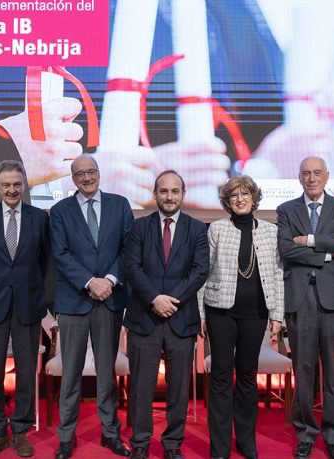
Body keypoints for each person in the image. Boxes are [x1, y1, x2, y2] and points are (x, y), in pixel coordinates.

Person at [50, 154, 134, 459]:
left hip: (110, 299)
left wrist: (109, 280)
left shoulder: (120, 205)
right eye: (80, 174)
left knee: (106, 373)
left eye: (91, 172)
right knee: (70, 373)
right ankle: (66, 437)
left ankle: (110, 433)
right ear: (73, 179)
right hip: (74, 301)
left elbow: (128, 249)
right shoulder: (59, 211)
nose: (87, 178)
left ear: (99, 173)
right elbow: (60, 255)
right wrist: (90, 282)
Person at [123, 171, 210, 459]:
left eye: (174, 191)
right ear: (155, 193)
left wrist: (171, 301)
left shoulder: (197, 229)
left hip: (180, 317)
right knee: (140, 388)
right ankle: (140, 443)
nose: (169, 197)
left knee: (178, 389)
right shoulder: (139, 227)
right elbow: (132, 267)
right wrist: (154, 299)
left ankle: (172, 444)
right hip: (144, 318)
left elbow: (200, 270)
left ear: (183, 194)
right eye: (164, 191)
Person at [276, 157, 334, 459]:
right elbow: (286, 248)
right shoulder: (286, 210)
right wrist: (325, 254)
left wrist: (308, 240)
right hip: (300, 298)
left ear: (327, 176)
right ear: (299, 178)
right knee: (304, 371)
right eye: (306, 174)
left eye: (317, 173)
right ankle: (305, 435)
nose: (311, 178)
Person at [200, 175, 285, 459]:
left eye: (245, 194)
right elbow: (204, 272)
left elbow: (276, 275)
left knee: (247, 376)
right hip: (220, 311)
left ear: (253, 197)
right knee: (222, 376)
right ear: (227, 200)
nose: (240, 199)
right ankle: (220, 446)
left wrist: (277, 314)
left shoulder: (271, 231)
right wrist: (200, 312)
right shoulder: (216, 229)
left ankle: (246, 441)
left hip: (257, 312)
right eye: (234, 195)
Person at [0, 161, 51, 458]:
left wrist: (35, 294)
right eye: (6, 184)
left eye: (17, 184)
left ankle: (19, 430)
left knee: (26, 371)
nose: (12, 189)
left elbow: (45, 264)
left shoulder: (39, 218)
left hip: (28, 307)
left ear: (24, 184)